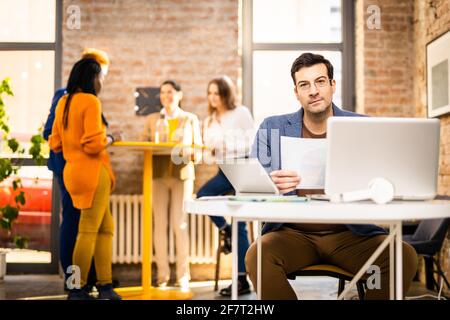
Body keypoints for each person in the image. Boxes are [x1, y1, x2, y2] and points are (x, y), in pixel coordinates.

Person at [245, 52, 418, 300]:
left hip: (350, 233)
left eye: (320, 81)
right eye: (304, 85)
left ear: (332, 85)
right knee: (257, 255)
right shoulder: (272, 127)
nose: (313, 91)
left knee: (403, 256)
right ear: (296, 92)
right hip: (292, 233)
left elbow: (385, 178)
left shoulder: (363, 126)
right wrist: (270, 185)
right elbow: (253, 184)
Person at [49, 58, 122, 300]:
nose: (101, 82)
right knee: (88, 230)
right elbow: (93, 144)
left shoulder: (64, 102)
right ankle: (77, 289)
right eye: (100, 77)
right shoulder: (91, 101)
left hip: (72, 171)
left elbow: (55, 142)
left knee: (105, 228)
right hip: (93, 171)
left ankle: (105, 286)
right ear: (92, 78)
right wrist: (111, 138)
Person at [140, 80, 202, 289]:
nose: (166, 96)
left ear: (179, 95)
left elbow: (199, 152)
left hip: (182, 175)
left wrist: (188, 151)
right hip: (157, 175)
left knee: (180, 224)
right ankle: (163, 276)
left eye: (170, 92)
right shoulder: (151, 119)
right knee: (160, 225)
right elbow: (143, 145)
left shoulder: (190, 119)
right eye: (163, 93)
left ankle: (183, 276)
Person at [196, 76, 254, 296]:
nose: (213, 98)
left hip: (241, 168)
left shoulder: (240, 113)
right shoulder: (209, 120)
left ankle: (241, 280)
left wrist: (226, 145)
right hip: (223, 169)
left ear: (226, 94)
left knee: (239, 223)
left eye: (217, 93)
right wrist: (208, 153)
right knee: (203, 196)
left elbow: (252, 141)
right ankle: (225, 230)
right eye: (210, 93)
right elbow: (211, 156)